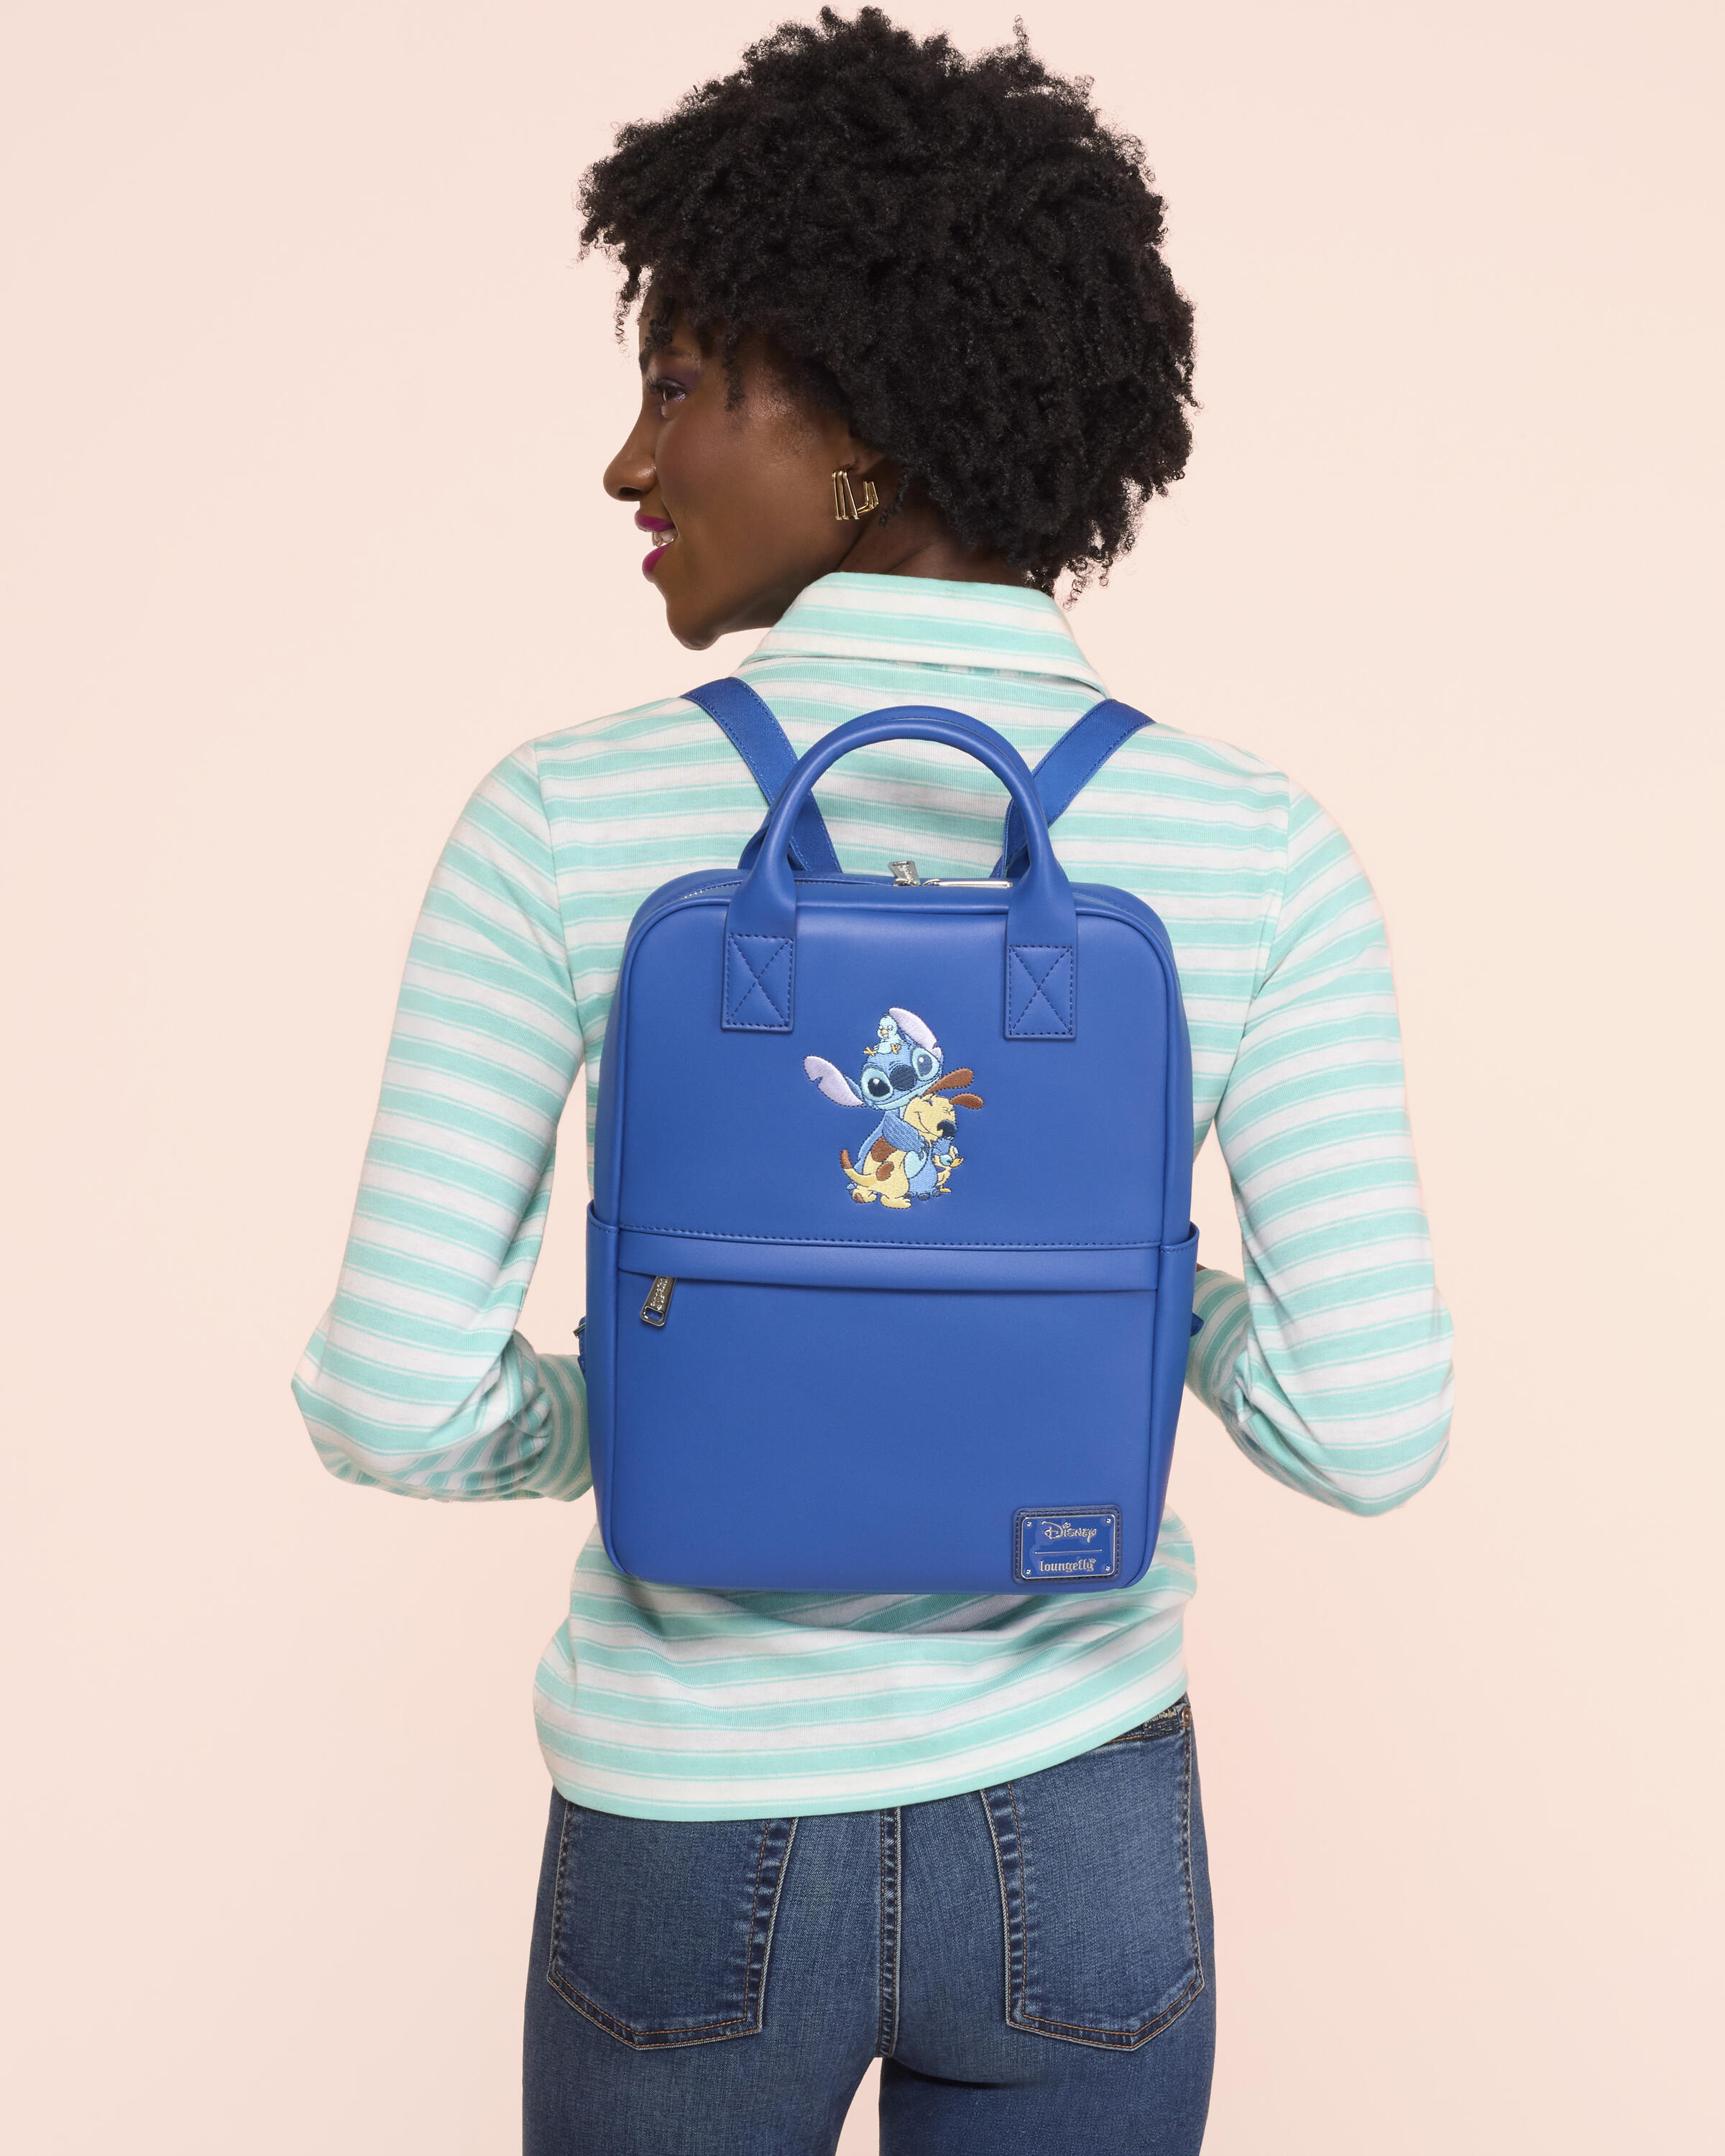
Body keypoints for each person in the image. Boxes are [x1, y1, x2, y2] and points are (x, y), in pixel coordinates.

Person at [293, 11, 1453, 2152]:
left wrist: (670, 1393)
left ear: (857, 419)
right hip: (1086, 1843)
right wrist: (1108, 1303)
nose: (627, 465)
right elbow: (1369, 1423)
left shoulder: (559, 820)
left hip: (687, 1828)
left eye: (676, 384)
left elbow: (389, 1394)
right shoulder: (1257, 847)